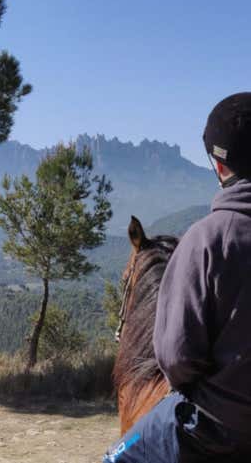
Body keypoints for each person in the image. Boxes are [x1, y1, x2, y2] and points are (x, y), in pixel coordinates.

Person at [103, 92, 251, 462]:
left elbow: (174, 356)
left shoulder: (208, 239)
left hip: (218, 424)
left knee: (114, 460)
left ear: (219, 167)